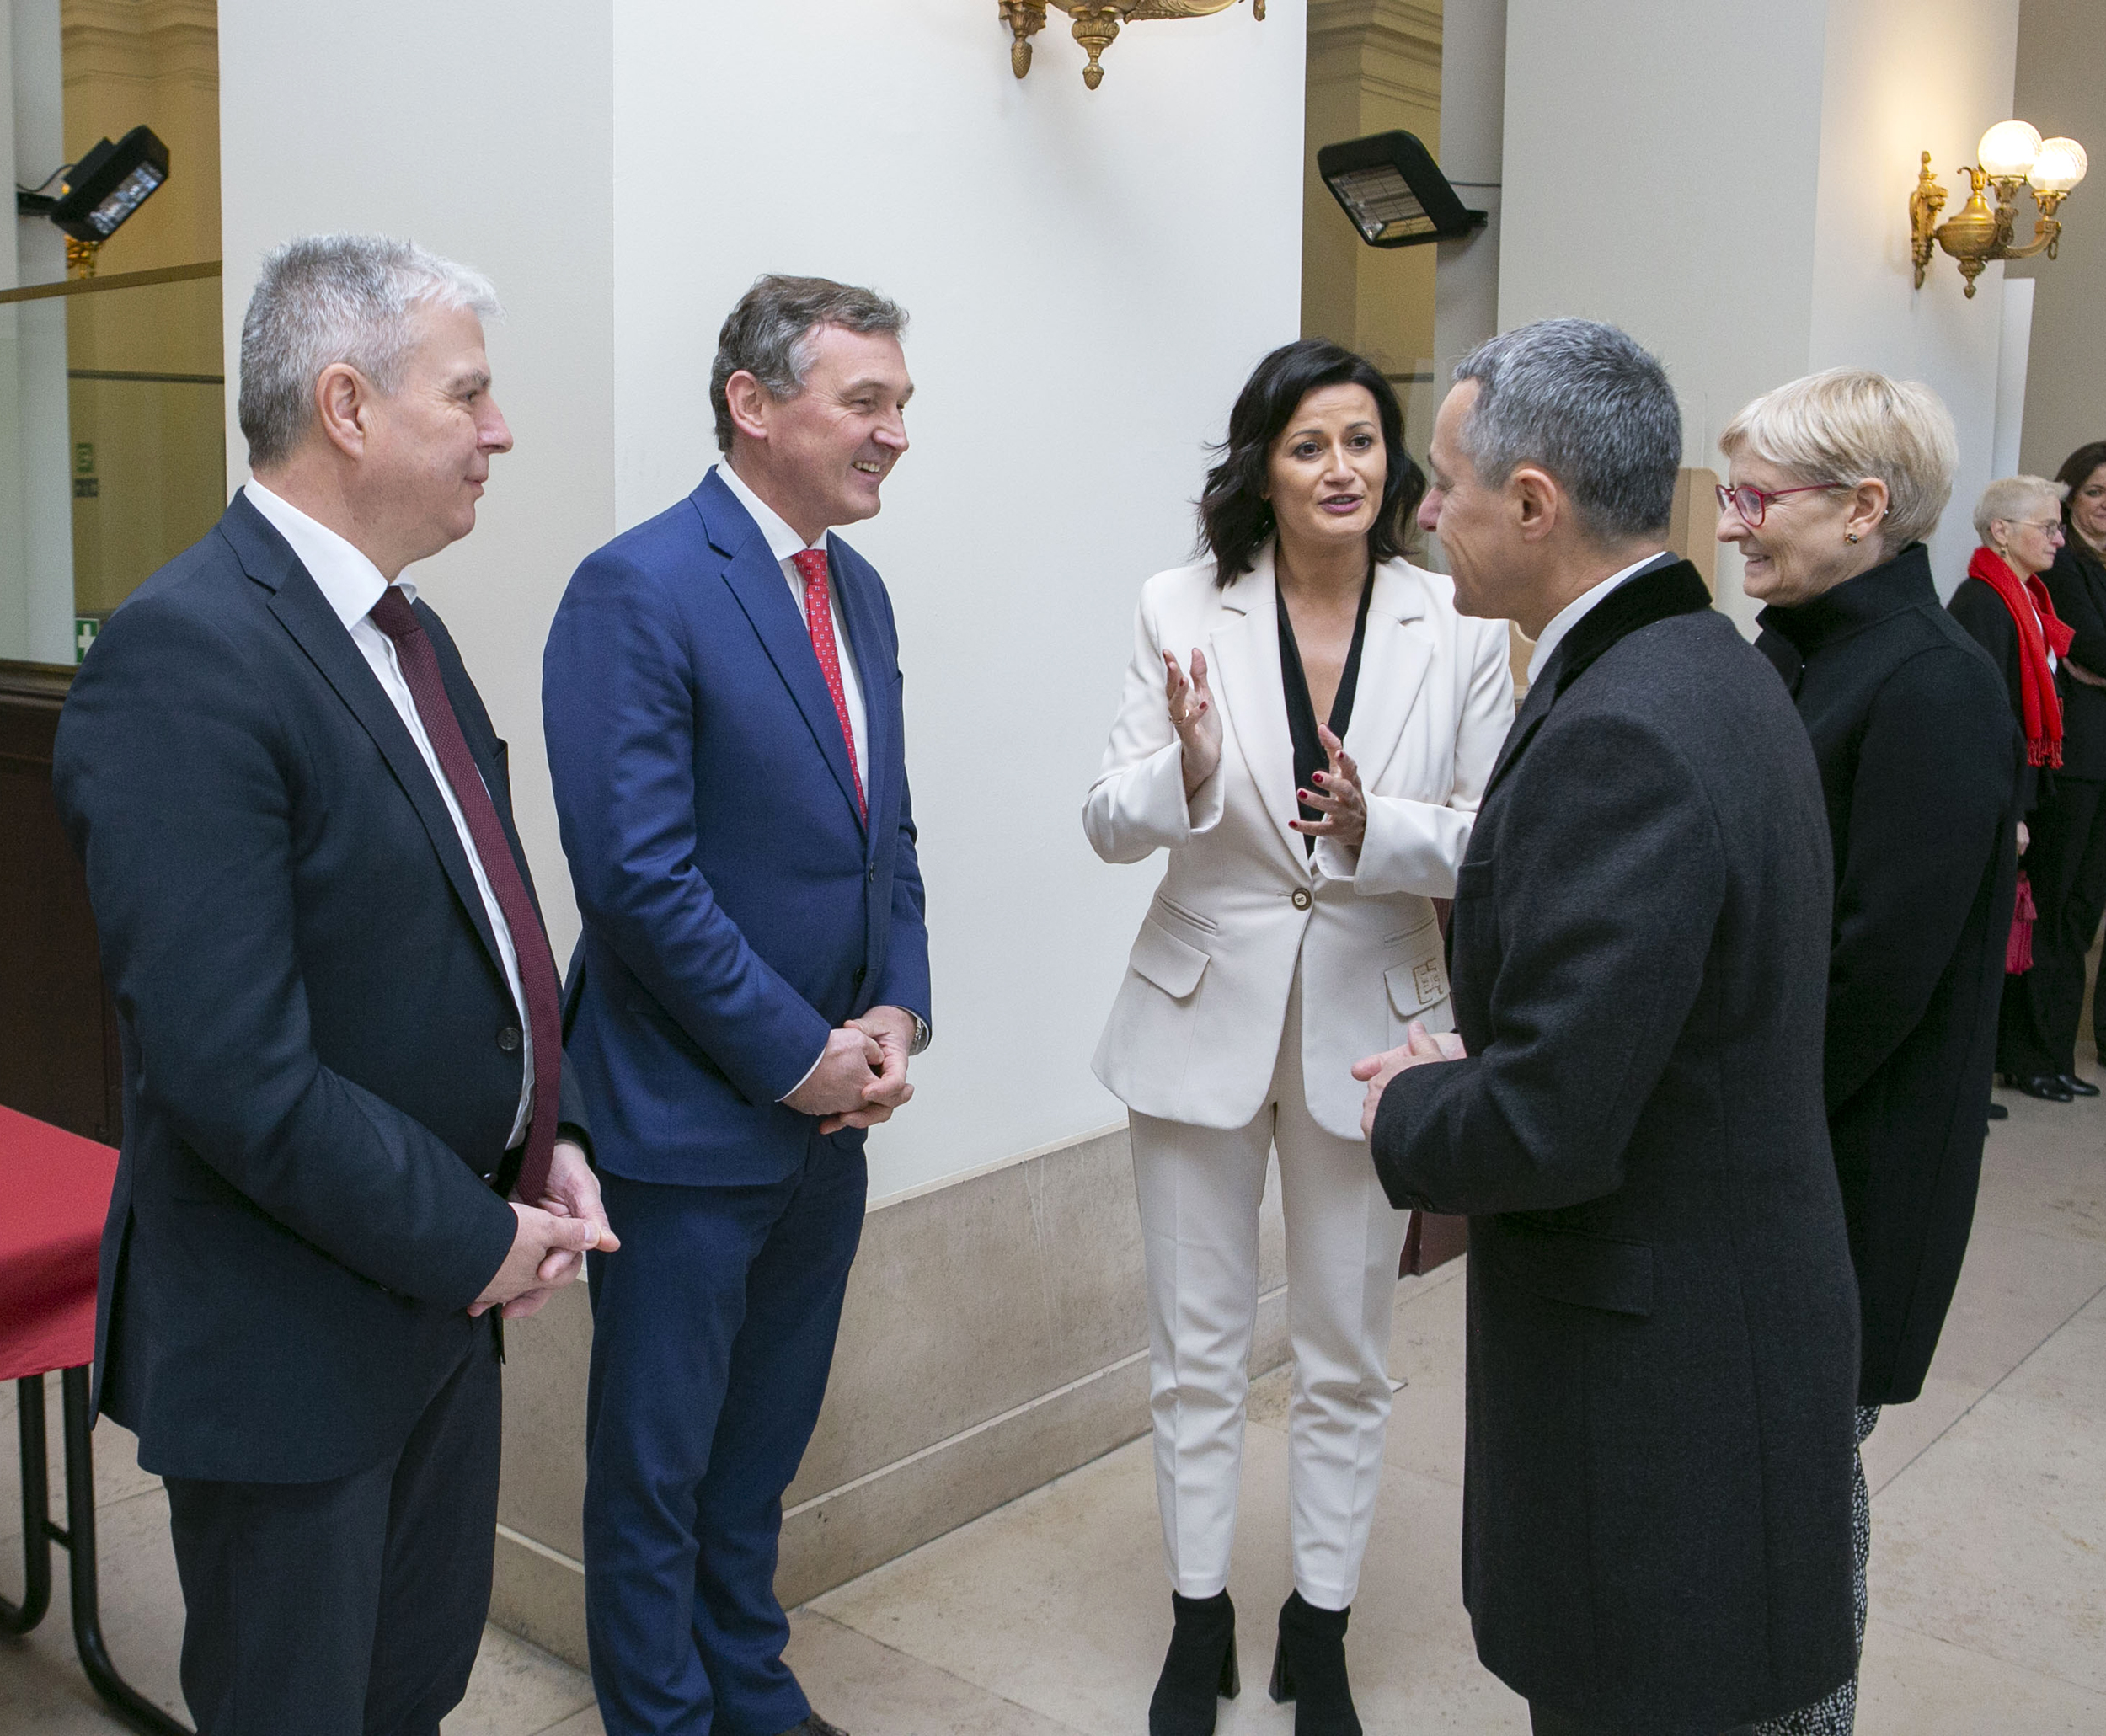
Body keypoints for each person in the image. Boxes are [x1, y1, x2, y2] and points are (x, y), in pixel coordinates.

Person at [51, 235, 612, 1736]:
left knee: (405, 1696)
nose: (499, 432)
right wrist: (475, 1235)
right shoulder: (188, 655)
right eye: (472, 394)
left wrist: (543, 1136)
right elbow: (234, 1070)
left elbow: (469, 938)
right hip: (292, 1341)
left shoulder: (396, 629)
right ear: (349, 405)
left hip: (437, 1312)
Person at [1355, 319, 1860, 1736]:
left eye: (1446, 481)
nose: (1428, 511)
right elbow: (1641, 1016)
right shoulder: (1695, 661)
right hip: (1711, 1315)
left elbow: (1551, 1121)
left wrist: (1410, 1101)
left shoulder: (1626, 726)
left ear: (1534, 504)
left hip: (1663, 1383)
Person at [1085, 337, 1513, 1736]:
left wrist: (1375, 830)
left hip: (1375, 1033)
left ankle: (1317, 1623)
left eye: (1366, 442)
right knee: (1195, 1348)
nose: (1344, 467)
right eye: (1311, 444)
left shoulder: (1449, 625)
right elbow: (1105, 819)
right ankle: (1196, 1615)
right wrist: (1191, 773)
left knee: (1347, 1347)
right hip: (1198, 1014)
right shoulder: (1179, 605)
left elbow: (1497, 835)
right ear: (1261, 468)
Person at [544, 274, 931, 1736]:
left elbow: (882, 833)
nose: (896, 433)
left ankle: (748, 1688)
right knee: (655, 1471)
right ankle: (662, 1717)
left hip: (832, 1126)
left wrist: (896, 1014)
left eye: (902, 403)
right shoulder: (637, 585)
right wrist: (796, 1059)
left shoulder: (862, 590)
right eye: (868, 401)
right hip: (685, 1132)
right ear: (754, 404)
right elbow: (635, 880)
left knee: (759, 1453)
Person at [1719, 368, 2018, 1736]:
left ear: (1865, 507)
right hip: (1762, 1172)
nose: (1731, 525)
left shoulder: (1935, 687)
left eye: (1756, 498)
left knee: (1792, 1537)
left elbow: (1867, 982)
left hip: (1840, 1190)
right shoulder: (1800, 651)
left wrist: (1704, 1120)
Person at [1949, 475, 2081, 1102]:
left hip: (2025, 793)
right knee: (1979, 942)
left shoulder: (2029, 598)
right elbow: (1990, 716)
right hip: (2000, 799)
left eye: (2058, 526)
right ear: (2001, 532)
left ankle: (1976, 1075)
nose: (2059, 537)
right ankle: (1965, 1079)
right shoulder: (1983, 601)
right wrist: (2015, 810)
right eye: (2047, 527)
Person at [2029, 441, 2106, 1083]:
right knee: (2053, 907)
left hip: (2103, 759)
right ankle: (2037, 1057)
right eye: (2096, 493)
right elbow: (2094, 647)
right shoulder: (2060, 564)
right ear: (2069, 495)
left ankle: (2052, 1055)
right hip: (2075, 758)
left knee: (2082, 910)